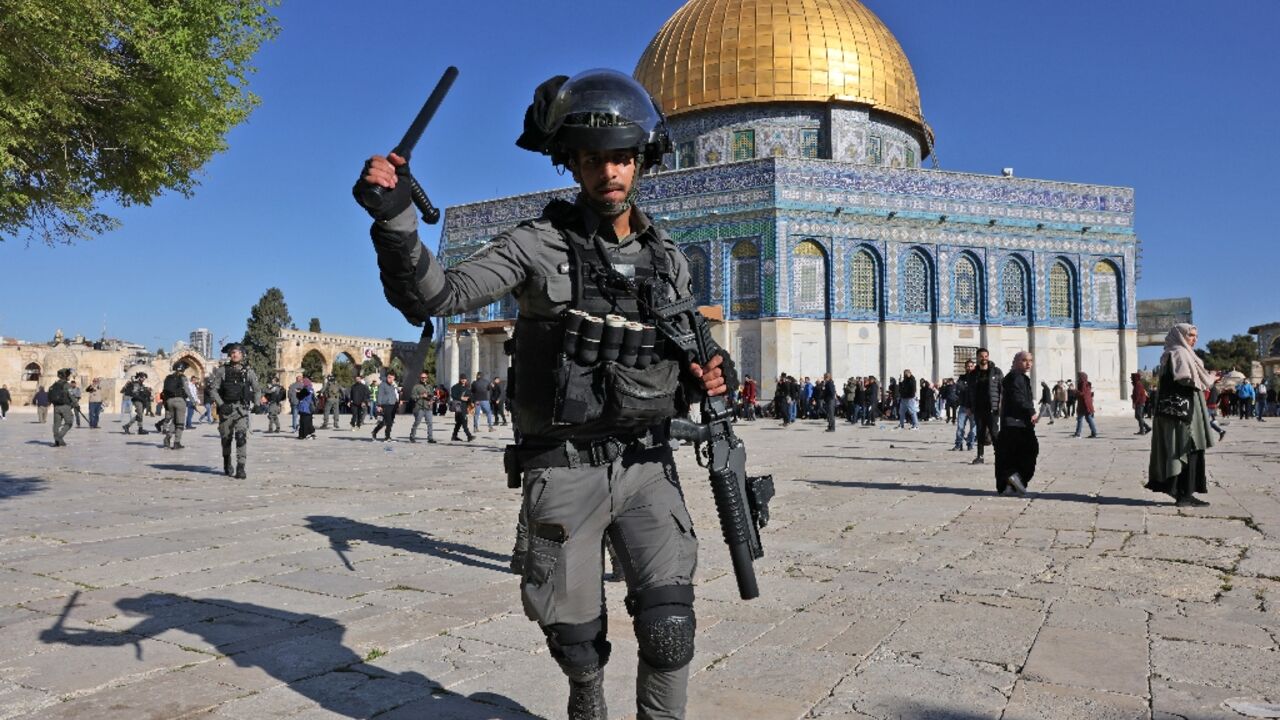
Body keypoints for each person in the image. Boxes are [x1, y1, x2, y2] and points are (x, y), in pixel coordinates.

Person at [354, 68, 732, 720]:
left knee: (671, 629)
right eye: (593, 161)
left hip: (647, 464)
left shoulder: (668, 257)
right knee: (578, 644)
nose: (608, 174)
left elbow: (690, 342)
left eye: (620, 158)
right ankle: (586, 696)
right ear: (572, 165)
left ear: (640, 161)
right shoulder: (538, 245)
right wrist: (394, 219)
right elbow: (436, 296)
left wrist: (712, 368)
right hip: (564, 468)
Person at [1146, 324, 1216, 506]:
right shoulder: (1180, 353)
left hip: (1178, 411)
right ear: (1180, 336)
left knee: (1180, 448)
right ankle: (1184, 495)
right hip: (1184, 413)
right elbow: (1185, 379)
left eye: (1196, 335)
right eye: (1191, 335)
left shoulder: (1172, 352)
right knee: (1187, 447)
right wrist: (1207, 380)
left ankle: (1182, 492)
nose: (1195, 339)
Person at [208, 343, 260, 478]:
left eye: (237, 352)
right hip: (226, 409)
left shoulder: (248, 371)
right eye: (232, 352)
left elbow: (257, 389)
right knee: (226, 439)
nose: (234, 354)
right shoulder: (222, 371)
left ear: (242, 354)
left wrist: (257, 403)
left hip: (241, 409)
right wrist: (221, 403)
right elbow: (213, 389)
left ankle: (241, 467)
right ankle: (227, 462)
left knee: (241, 437)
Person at [994, 351, 1039, 495]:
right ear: (1016, 362)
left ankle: (1009, 486)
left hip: (1012, 423)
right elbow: (1018, 397)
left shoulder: (1016, 377)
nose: (1028, 364)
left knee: (1012, 455)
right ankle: (1014, 477)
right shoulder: (1017, 378)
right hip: (1018, 424)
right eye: (1024, 360)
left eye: (1030, 360)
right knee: (1029, 452)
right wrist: (1031, 411)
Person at [965, 349, 1002, 464]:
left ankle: (999, 456)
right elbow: (969, 391)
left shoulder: (996, 372)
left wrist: (1002, 404)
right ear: (978, 357)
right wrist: (969, 406)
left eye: (986, 356)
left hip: (992, 408)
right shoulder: (973, 374)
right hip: (978, 408)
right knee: (980, 433)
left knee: (994, 433)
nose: (984, 358)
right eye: (981, 356)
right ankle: (980, 456)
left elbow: (1003, 389)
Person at [160, 360, 191, 450]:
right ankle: (176, 442)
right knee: (180, 423)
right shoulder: (183, 377)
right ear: (183, 369)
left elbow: (164, 391)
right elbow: (187, 390)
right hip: (179, 401)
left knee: (174, 421)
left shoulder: (168, 377)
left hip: (169, 401)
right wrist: (193, 401)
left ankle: (167, 437)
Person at [47, 369, 76, 447]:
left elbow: (49, 394)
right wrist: (76, 404)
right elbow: (71, 395)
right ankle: (59, 437)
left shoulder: (54, 385)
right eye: (68, 375)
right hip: (65, 406)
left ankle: (58, 440)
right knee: (69, 422)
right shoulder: (67, 385)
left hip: (56, 407)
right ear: (65, 376)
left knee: (56, 424)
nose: (69, 377)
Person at [953, 360, 977, 451]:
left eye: (971, 366)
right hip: (963, 406)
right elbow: (959, 388)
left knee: (973, 428)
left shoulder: (977, 378)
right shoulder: (962, 378)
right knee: (960, 427)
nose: (969, 368)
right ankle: (958, 444)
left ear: (974, 367)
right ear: (965, 367)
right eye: (968, 366)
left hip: (974, 407)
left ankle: (970, 443)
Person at [409, 371, 437, 444]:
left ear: (427, 378)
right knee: (417, 423)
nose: (423, 379)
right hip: (420, 407)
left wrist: (432, 400)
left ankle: (430, 438)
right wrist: (420, 396)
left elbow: (432, 395)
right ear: (420, 378)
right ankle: (412, 436)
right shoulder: (416, 386)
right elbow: (412, 397)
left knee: (430, 423)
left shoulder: (430, 386)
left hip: (428, 407)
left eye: (425, 377)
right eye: (422, 377)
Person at [371, 372, 400, 441]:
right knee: (389, 422)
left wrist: (397, 402)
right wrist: (379, 405)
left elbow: (394, 395)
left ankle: (374, 431)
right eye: (389, 377)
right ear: (387, 377)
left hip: (393, 405)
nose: (390, 379)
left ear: (394, 378)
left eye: (392, 378)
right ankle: (387, 437)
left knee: (385, 422)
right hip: (385, 405)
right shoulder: (382, 385)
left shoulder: (392, 385)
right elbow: (379, 395)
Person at [1072, 371, 1099, 438]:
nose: (1078, 378)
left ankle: (1078, 433)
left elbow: (1082, 394)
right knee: (1088, 418)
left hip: (1084, 404)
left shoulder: (1083, 384)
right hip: (1085, 404)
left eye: (1079, 377)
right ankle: (1094, 432)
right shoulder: (1086, 384)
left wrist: (1074, 390)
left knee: (1081, 419)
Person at [449, 375, 474, 442]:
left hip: (465, 406)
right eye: (462, 379)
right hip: (458, 407)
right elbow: (453, 395)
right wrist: (461, 398)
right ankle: (469, 436)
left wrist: (471, 401)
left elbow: (470, 396)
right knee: (464, 421)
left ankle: (454, 436)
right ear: (460, 379)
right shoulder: (455, 387)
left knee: (459, 422)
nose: (463, 380)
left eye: (464, 379)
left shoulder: (467, 387)